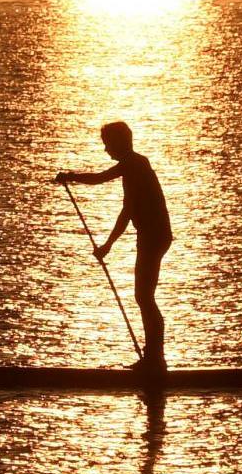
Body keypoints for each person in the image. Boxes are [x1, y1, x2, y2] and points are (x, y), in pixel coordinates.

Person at [56, 121, 173, 371]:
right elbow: (127, 210)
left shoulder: (135, 165)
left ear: (120, 143)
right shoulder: (133, 168)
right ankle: (153, 358)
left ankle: (156, 359)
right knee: (144, 297)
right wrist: (108, 245)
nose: (106, 150)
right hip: (150, 236)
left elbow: (101, 180)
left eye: (108, 145)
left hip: (154, 237)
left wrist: (71, 177)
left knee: (144, 297)